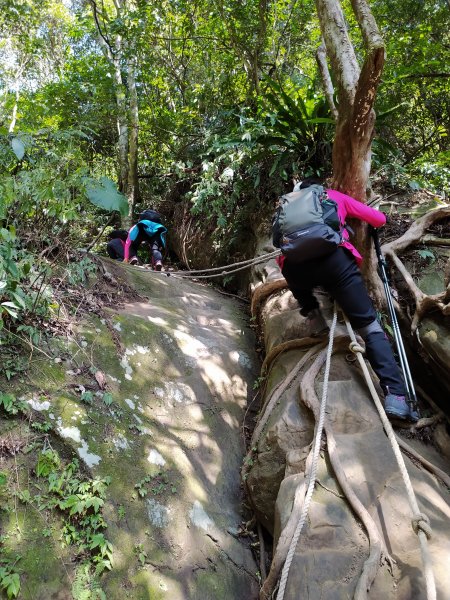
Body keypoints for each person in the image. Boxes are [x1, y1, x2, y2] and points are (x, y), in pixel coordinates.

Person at [272, 178, 418, 423]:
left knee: (299, 282)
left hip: (296, 269)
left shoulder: (286, 206)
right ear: (317, 189)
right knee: (370, 327)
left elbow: (280, 241)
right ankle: (397, 397)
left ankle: (312, 313)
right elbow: (379, 220)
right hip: (335, 264)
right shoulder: (333, 196)